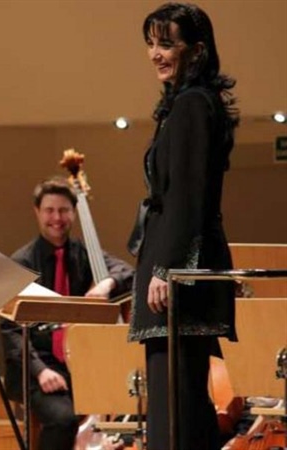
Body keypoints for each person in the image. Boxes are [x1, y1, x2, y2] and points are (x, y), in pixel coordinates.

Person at [126, 3, 239, 450]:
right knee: (184, 410)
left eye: (166, 43)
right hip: (179, 275)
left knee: (176, 417)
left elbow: (188, 196)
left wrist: (167, 269)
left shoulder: (193, 105)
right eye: (151, 43)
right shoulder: (188, 103)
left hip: (178, 279)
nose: (155, 53)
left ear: (196, 50)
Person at [0, 177, 134, 450]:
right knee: (63, 418)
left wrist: (107, 283)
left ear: (73, 213)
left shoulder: (84, 254)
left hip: (81, 365)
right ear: (37, 212)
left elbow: (127, 272)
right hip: (37, 367)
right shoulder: (21, 262)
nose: (57, 218)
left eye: (63, 210)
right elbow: (10, 332)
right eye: (49, 210)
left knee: (133, 407)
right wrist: (41, 371)